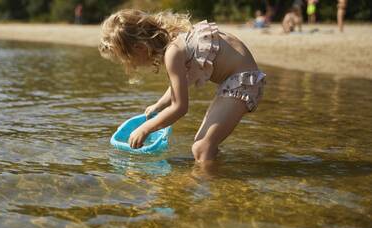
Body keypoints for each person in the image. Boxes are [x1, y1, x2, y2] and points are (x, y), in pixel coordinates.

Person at [99, 9, 266, 162]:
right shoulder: (176, 39)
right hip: (238, 79)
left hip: (243, 83)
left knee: (201, 148)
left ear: (140, 48)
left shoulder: (172, 53)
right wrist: (159, 105)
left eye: (127, 59)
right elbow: (180, 83)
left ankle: (204, 185)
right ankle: (216, 172)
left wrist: (145, 129)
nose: (129, 64)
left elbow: (180, 107)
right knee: (203, 144)